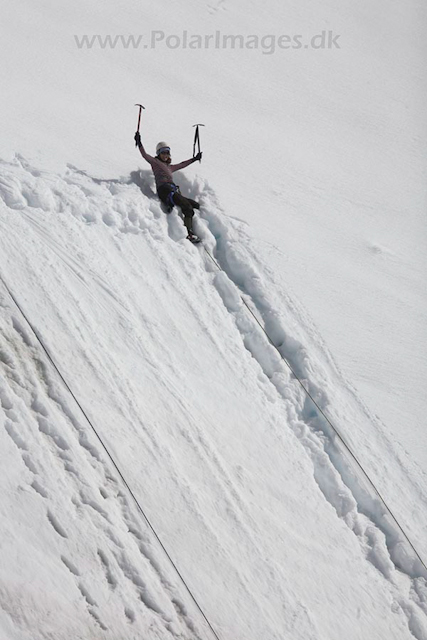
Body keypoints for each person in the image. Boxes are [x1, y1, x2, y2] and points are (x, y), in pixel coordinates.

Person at [134, 132, 202, 243]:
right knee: (187, 206)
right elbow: (145, 155)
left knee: (195, 205)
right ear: (159, 153)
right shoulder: (155, 162)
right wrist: (139, 142)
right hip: (164, 190)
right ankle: (189, 234)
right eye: (163, 153)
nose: (166, 155)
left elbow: (182, 164)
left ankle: (187, 222)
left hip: (172, 190)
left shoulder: (169, 167)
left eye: (167, 153)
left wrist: (194, 159)